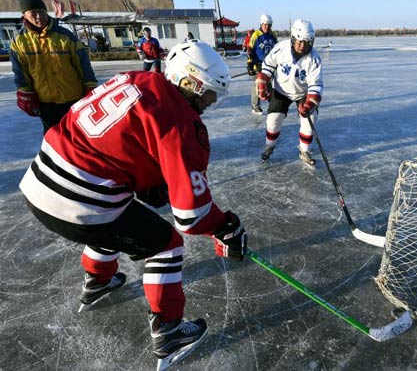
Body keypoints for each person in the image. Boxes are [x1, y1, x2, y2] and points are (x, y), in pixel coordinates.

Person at [19, 40, 248, 370]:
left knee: (116, 216)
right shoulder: (180, 120)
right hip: (80, 201)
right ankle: (168, 330)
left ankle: (99, 281)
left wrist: (145, 180)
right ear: (190, 82)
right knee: (165, 245)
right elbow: (191, 215)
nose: (210, 103)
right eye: (209, 93)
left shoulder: (136, 79)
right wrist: (225, 225)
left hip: (38, 183)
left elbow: (116, 140)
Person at [10, 0, 98, 133]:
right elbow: (20, 72)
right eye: (33, 13)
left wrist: (90, 86)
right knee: (54, 139)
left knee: (79, 136)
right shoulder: (19, 42)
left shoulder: (66, 36)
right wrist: (25, 92)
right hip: (46, 102)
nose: (39, 17)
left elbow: (83, 65)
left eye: (41, 12)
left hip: (74, 98)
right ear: (24, 16)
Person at [256, 19, 323, 166]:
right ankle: (269, 146)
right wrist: (263, 81)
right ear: (293, 37)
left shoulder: (314, 59)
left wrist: (309, 104)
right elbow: (268, 65)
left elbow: (316, 85)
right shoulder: (281, 48)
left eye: (306, 41)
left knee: (310, 119)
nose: (302, 45)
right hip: (281, 90)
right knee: (273, 120)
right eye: (299, 41)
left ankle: (304, 150)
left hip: (303, 93)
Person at [247, 14, 278, 115]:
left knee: (271, 86)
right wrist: (250, 64)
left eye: (269, 25)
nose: (267, 27)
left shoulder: (273, 35)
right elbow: (250, 50)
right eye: (265, 25)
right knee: (258, 86)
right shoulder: (256, 35)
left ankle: (272, 105)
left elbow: (278, 50)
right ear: (261, 24)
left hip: (270, 66)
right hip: (258, 66)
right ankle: (255, 106)